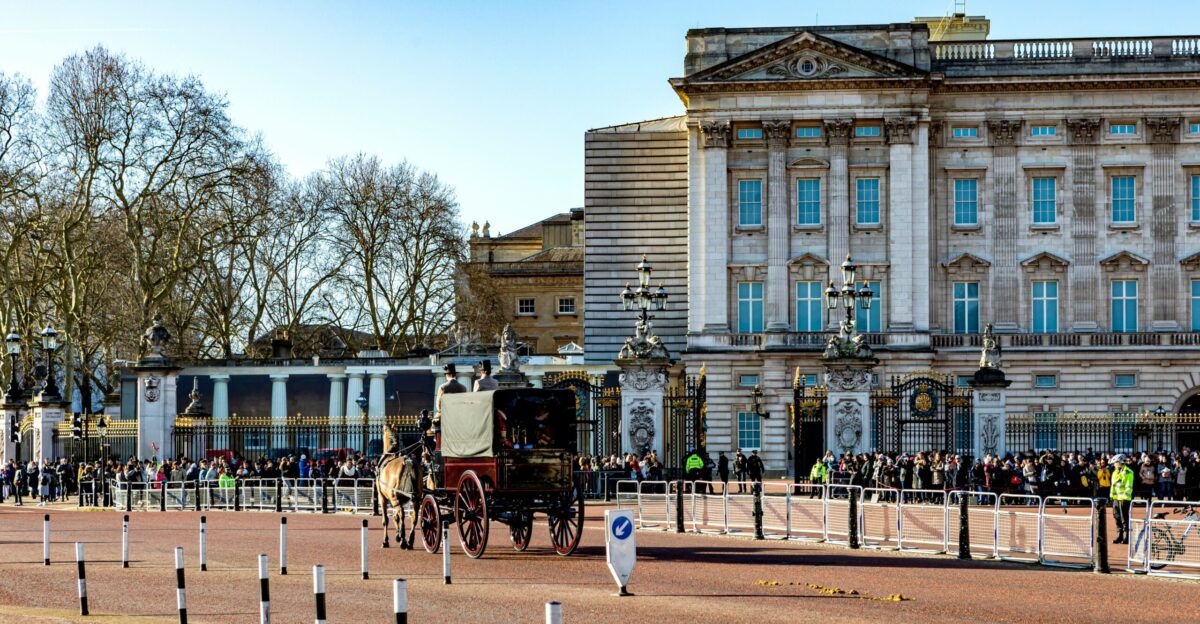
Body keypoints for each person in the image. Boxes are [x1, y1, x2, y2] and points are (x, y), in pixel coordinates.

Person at [1110, 454, 1134, 544]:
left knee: (1124, 518)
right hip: (1116, 498)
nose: (1114, 464)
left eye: (1116, 463)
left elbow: (1128, 486)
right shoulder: (1115, 472)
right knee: (1117, 517)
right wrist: (1112, 496)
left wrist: (1124, 497)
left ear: (1121, 462)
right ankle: (1120, 536)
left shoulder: (1128, 472)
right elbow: (1113, 486)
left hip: (1124, 498)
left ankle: (1127, 536)